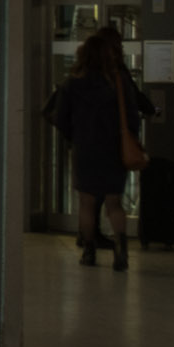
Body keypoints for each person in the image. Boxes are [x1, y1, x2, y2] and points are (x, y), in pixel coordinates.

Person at [51, 33, 142, 270]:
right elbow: (133, 117)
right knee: (114, 203)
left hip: (85, 149)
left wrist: (76, 137)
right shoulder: (119, 80)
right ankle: (121, 251)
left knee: (87, 203)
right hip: (113, 149)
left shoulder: (73, 82)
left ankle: (89, 252)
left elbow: (60, 118)